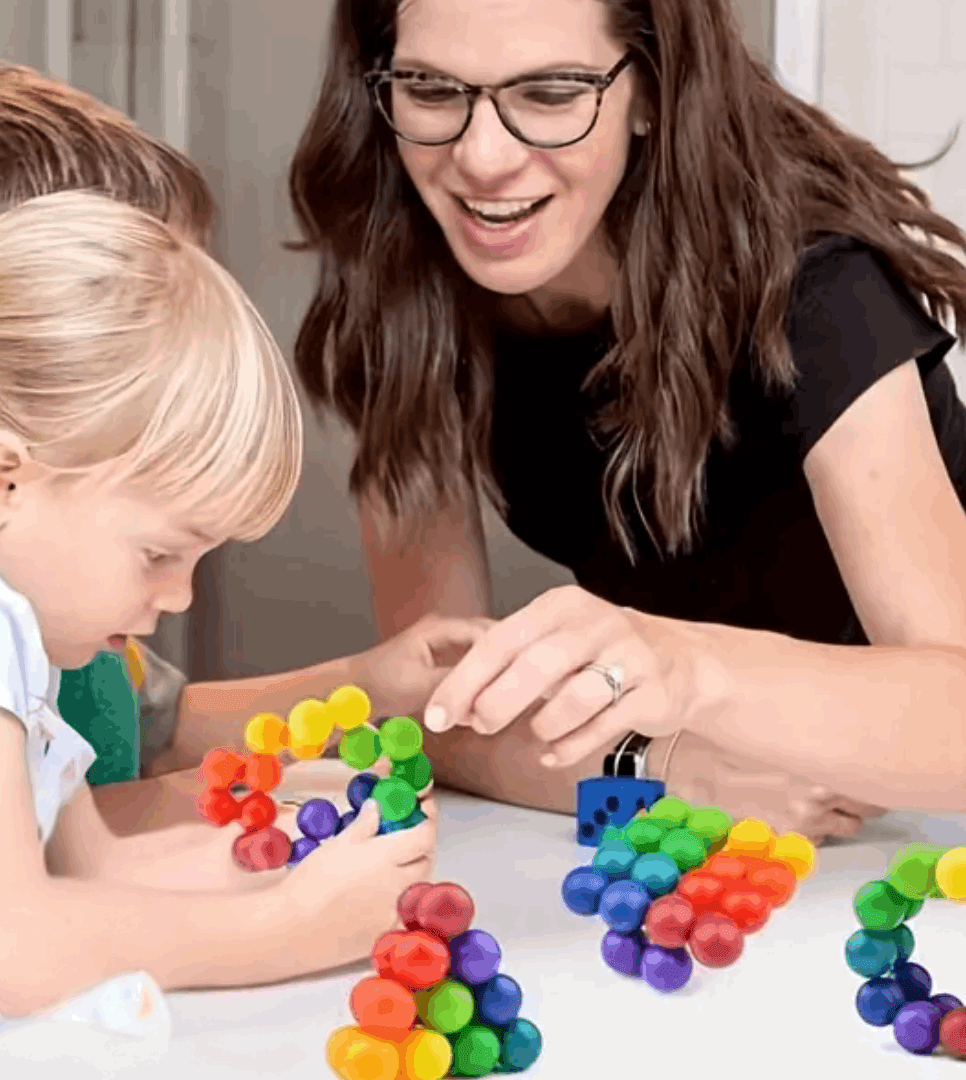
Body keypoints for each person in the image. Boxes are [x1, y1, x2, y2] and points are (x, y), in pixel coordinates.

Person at [286, 0, 966, 821]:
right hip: (747, 821)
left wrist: (686, 669)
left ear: (651, 91)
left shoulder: (815, 289)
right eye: (431, 89)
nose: (482, 158)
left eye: (551, 94)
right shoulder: (406, 289)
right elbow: (437, 704)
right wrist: (658, 768)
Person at [0, 191, 443, 1075]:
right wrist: (289, 928)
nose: (178, 598)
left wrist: (305, 843)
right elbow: (6, 949)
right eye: (157, 553)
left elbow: (90, 869)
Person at [0, 63, 487, 837]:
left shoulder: (60, 594)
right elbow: (43, 842)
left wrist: (366, 685)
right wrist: (276, 821)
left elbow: (157, 729)